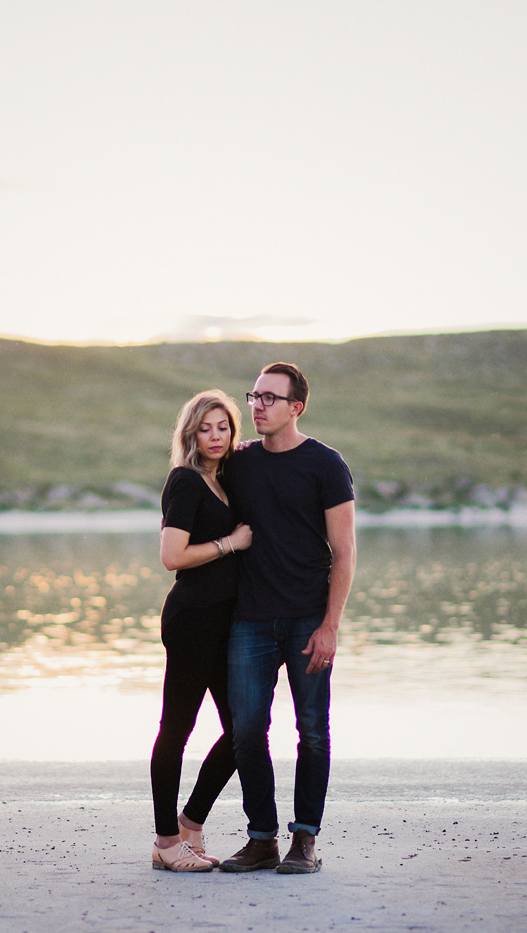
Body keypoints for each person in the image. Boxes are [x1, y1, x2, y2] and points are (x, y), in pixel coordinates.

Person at [217, 362, 356, 875]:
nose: (257, 405)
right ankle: (261, 839)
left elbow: (344, 551)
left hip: (306, 619)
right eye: (254, 395)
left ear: (296, 407)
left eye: (270, 398)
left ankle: (305, 840)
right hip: (249, 619)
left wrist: (330, 625)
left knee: (312, 731)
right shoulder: (239, 462)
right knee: (248, 732)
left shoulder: (325, 464)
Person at [149, 389, 253, 872]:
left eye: (224, 427)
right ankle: (167, 843)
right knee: (178, 728)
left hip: (224, 620)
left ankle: (191, 824)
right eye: (206, 427)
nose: (215, 436)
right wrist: (230, 543)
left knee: (244, 729)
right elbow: (173, 557)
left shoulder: (224, 481)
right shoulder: (185, 481)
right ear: (190, 433)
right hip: (192, 620)